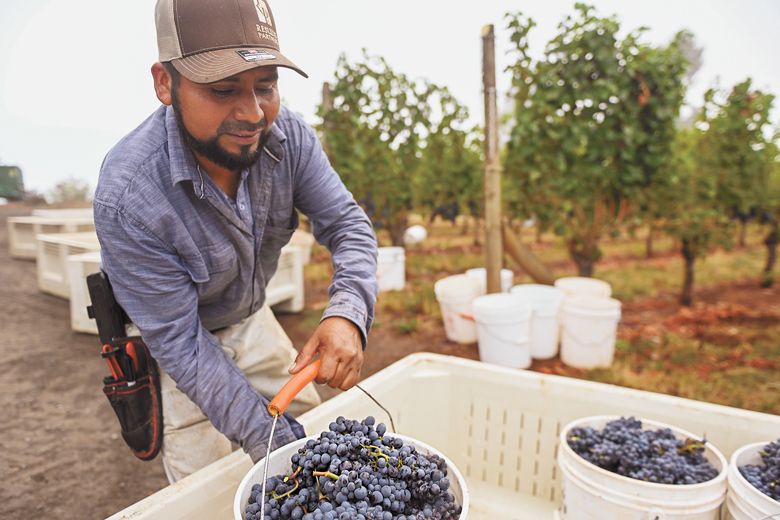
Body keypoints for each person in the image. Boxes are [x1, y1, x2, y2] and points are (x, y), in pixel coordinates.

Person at [93, 0, 378, 483]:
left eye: (265, 86)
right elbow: (180, 342)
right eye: (223, 90)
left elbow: (348, 226)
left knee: (314, 435)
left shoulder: (289, 139)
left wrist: (347, 313)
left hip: (252, 318)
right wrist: (274, 441)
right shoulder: (129, 196)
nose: (251, 113)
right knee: (211, 483)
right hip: (182, 339)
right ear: (166, 83)